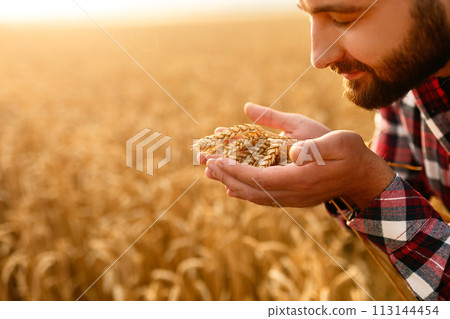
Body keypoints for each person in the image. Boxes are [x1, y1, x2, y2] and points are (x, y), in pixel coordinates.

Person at [200, 0, 450, 301]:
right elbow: (400, 195)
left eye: (344, 18)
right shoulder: (405, 78)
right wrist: (347, 179)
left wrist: (367, 184)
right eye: (309, 15)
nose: (318, 57)